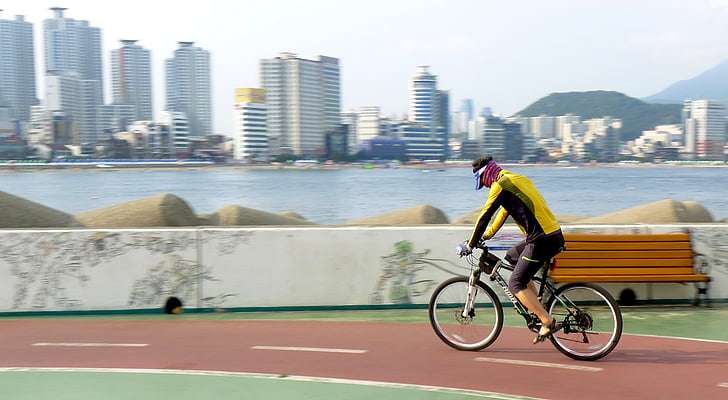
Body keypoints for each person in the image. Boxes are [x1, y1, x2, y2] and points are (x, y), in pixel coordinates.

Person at [457, 156, 565, 344]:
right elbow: (503, 212)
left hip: (540, 240)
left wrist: (471, 244)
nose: (486, 186)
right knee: (512, 256)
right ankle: (535, 304)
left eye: (483, 181)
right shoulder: (516, 179)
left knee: (515, 284)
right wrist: (486, 236)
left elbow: (484, 216)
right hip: (552, 235)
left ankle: (546, 320)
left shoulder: (501, 185)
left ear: (487, 174)